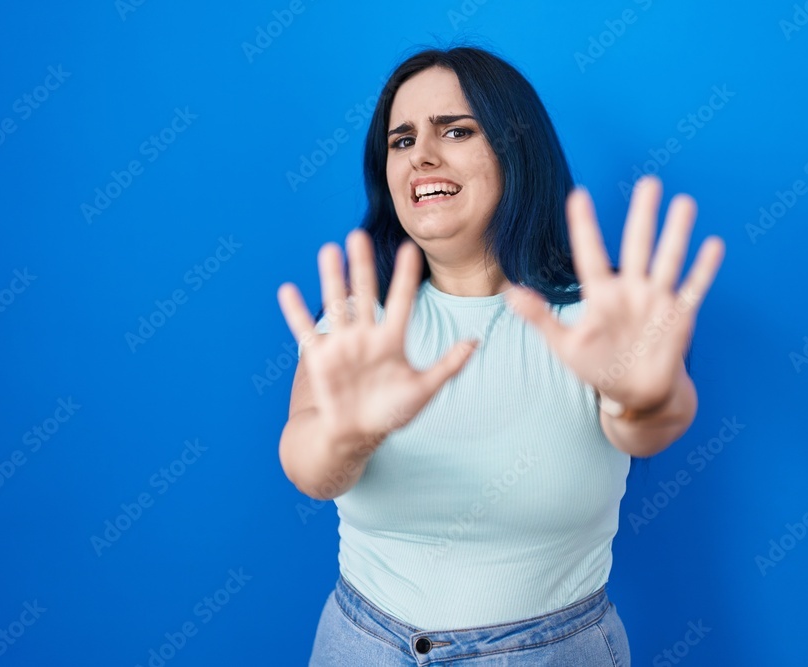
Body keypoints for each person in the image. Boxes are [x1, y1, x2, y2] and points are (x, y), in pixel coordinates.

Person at [276, 46, 724, 666]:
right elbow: (307, 466)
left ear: (517, 150)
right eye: (401, 141)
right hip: (362, 646)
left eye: (455, 131)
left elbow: (648, 424)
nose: (421, 157)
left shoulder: (598, 321)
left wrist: (650, 398)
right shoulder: (360, 325)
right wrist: (349, 437)